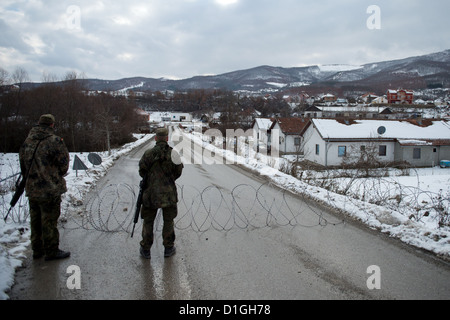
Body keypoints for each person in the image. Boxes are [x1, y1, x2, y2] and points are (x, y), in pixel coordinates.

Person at [19, 114, 71, 261]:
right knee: (49, 221)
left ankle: (37, 249)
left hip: (32, 188)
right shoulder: (54, 141)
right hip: (50, 188)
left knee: (35, 220)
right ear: (52, 125)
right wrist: (54, 175)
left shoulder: (27, 141)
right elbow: (63, 165)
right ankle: (51, 250)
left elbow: (23, 166)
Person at [138, 127, 183, 259]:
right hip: (169, 194)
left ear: (156, 138)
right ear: (167, 138)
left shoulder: (148, 154)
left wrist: (152, 181)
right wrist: (168, 180)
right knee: (168, 221)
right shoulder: (174, 154)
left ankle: (146, 249)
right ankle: (168, 248)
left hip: (150, 194)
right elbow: (178, 172)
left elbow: (142, 171)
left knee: (148, 221)